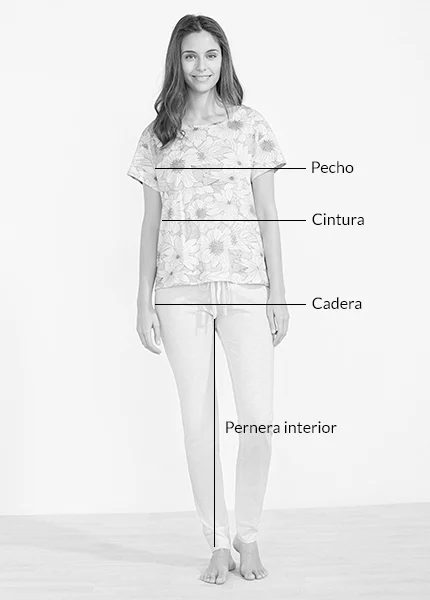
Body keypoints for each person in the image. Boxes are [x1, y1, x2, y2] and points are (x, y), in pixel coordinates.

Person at [127, 14, 290, 585]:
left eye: (211, 54)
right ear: (177, 61)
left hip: (245, 285)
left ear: (224, 59)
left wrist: (279, 292)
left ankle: (248, 533)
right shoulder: (157, 134)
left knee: (258, 420)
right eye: (191, 55)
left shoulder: (250, 127)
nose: (202, 66)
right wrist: (143, 299)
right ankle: (218, 541)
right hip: (178, 290)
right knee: (198, 422)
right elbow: (151, 223)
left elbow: (268, 214)